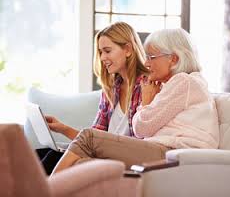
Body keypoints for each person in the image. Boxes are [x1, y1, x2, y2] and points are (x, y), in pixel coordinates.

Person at [51, 28, 220, 174]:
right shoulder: (174, 85)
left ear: (174, 59)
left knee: (88, 137)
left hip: (174, 154)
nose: (146, 63)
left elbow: (141, 129)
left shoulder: (184, 82)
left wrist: (146, 102)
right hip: (165, 152)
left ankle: (44, 190)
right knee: (82, 165)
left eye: (152, 57)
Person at [37, 21, 149, 175]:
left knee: (51, 158)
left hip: (126, 158)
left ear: (128, 49)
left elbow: (146, 142)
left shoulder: (147, 86)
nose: (102, 57)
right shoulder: (111, 90)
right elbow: (92, 139)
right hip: (104, 153)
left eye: (107, 51)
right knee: (40, 154)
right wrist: (62, 128)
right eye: (100, 52)